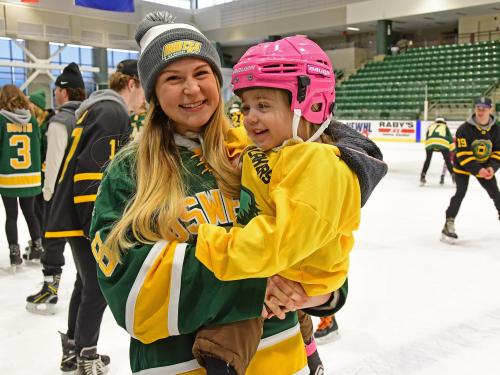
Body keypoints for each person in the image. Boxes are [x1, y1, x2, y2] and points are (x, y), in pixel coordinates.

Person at [90, 13, 387, 375]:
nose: (192, 89)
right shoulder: (129, 171)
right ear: (152, 91)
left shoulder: (261, 150)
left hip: (284, 358)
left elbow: (314, 236)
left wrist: (319, 292)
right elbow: (129, 294)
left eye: (202, 74)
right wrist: (253, 286)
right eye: (172, 78)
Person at [193, 35, 387, 375]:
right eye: (246, 108)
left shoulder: (320, 166)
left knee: (224, 337)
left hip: (299, 274)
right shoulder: (277, 144)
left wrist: (209, 243)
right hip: (280, 264)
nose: (250, 119)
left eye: (264, 106)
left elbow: (280, 240)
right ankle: (312, 356)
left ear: (310, 105)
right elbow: (239, 137)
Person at [43, 60, 136, 373]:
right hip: (86, 216)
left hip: (74, 214)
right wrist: (96, 224)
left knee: (86, 285)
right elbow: (93, 176)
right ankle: (86, 356)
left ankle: (74, 349)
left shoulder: (100, 108)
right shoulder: (114, 111)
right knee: (97, 286)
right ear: (133, 84)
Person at [26, 62, 86, 316]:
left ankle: (50, 287)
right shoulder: (88, 116)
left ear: (65, 91)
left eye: (57, 89)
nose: (54, 94)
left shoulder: (59, 121)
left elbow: (55, 165)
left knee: (54, 242)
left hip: (60, 194)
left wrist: (48, 195)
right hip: (84, 193)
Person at [442, 96, 500, 241]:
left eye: (484, 109)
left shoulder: (497, 129)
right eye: (478, 108)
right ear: (475, 109)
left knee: (496, 194)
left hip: (485, 167)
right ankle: (449, 223)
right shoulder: (464, 129)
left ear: (490, 109)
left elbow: (498, 151)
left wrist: (492, 168)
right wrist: (478, 170)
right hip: (463, 166)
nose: (481, 112)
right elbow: (462, 154)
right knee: (460, 193)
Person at [0, 84, 42, 269]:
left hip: (8, 176)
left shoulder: (1, 120)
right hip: (31, 175)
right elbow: (38, 144)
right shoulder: (31, 120)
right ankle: (38, 247)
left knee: (11, 216)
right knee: (31, 213)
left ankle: (14, 255)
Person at [28, 89, 54, 259]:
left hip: (45, 175)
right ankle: (39, 239)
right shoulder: (36, 124)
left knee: (43, 212)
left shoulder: (48, 125)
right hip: (36, 175)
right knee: (36, 211)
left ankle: (45, 242)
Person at [420, 117, 454, 186]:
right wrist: (452, 150)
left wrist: (430, 144)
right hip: (442, 143)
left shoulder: (431, 126)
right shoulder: (445, 126)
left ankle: (422, 176)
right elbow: (450, 139)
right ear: (443, 122)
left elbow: (427, 136)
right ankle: (454, 177)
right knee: (448, 161)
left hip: (430, 143)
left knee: (428, 160)